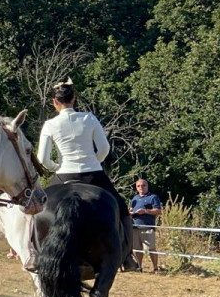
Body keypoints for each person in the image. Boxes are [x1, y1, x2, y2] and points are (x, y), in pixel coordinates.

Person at [37, 79, 136, 269]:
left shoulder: (50, 124)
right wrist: (93, 162)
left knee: (38, 210)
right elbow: (104, 148)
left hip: (64, 174)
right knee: (123, 210)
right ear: (74, 98)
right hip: (94, 174)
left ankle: (32, 253)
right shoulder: (89, 118)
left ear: (54, 102)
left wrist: (55, 167)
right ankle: (128, 256)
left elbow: (42, 159)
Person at [130, 178, 163, 272]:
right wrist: (131, 212)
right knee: (137, 249)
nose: (141, 187)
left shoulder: (153, 197)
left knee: (151, 248)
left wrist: (145, 211)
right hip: (135, 226)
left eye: (143, 185)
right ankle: (139, 267)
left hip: (147, 227)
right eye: (138, 186)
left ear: (147, 186)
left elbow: (158, 211)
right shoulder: (135, 198)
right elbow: (132, 208)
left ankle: (155, 268)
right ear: (136, 188)